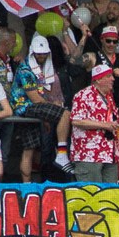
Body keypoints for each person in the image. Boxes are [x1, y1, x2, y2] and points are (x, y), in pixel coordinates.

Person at [10, 34, 74, 182]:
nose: (41, 57)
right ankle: (62, 154)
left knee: (29, 148)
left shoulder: (43, 68)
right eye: (38, 54)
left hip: (35, 108)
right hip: (25, 106)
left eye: (44, 54)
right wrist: (51, 109)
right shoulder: (26, 70)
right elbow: (35, 98)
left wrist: (46, 116)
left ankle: (27, 185)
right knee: (65, 113)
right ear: (32, 52)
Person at [69, 64, 119, 182]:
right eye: (108, 76)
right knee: (92, 191)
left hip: (109, 153)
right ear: (98, 79)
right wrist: (105, 125)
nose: (113, 79)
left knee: (110, 191)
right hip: (89, 155)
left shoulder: (108, 96)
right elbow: (76, 120)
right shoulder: (83, 95)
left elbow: (110, 112)